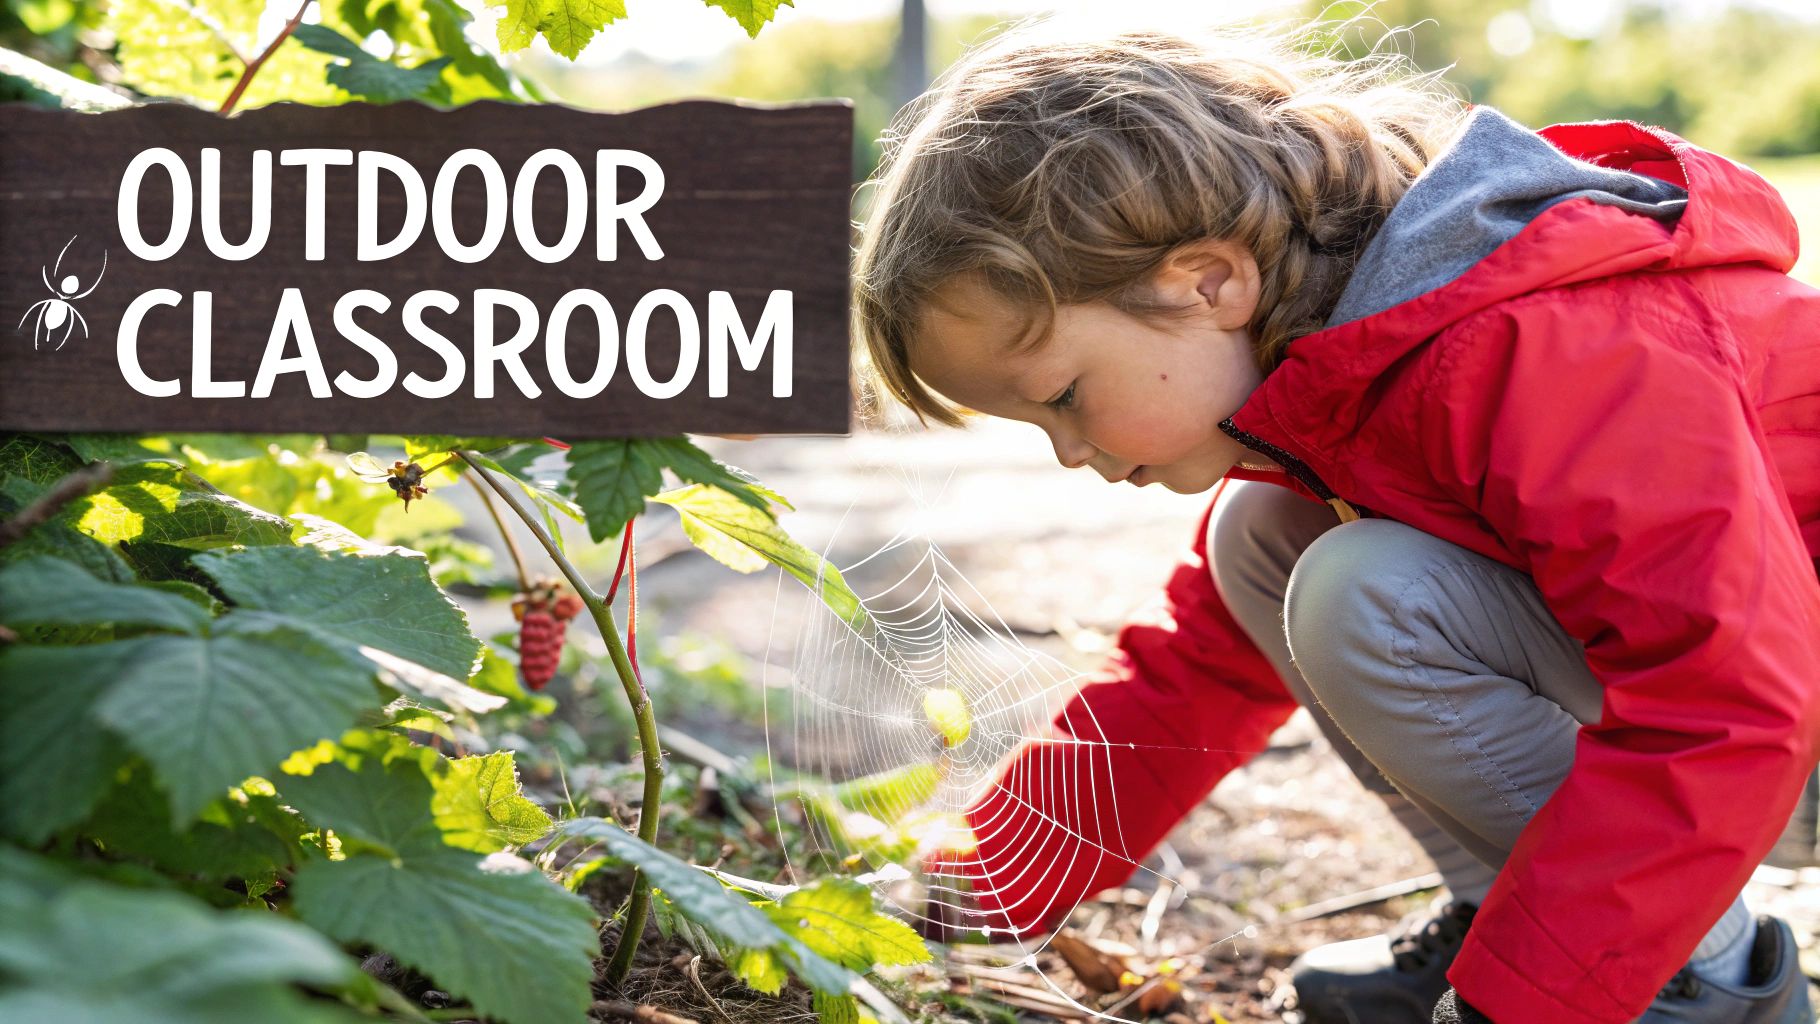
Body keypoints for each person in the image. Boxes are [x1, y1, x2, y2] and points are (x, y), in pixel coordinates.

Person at [850, 14, 1820, 1024]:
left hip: (1769, 734)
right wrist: (983, 882)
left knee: (1362, 594)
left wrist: (1530, 1001)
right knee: (1265, 539)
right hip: (1758, 730)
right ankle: (1510, 918)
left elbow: (1730, 698)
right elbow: (1199, 670)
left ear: (1208, 281)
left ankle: (1685, 980)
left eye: (1059, 396)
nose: (1067, 451)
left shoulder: (1553, 350)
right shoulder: (1345, 388)